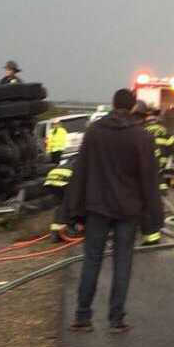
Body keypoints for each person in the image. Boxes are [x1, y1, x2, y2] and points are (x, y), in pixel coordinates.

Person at [63, 88, 164, 333]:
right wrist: (154, 217)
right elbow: (148, 179)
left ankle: (82, 316)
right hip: (128, 211)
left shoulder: (94, 132)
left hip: (97, 208)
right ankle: (116, 319)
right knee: (122, 263)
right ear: (132, 108)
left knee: (92, 261)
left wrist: (71, 212)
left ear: (112, 104)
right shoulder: (141, 137)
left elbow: (81, 171)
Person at [141, 103, 174, 194]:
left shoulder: (141, 130)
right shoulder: (164, 131)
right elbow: (172, 147)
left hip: (146, 164)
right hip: (161, 163)